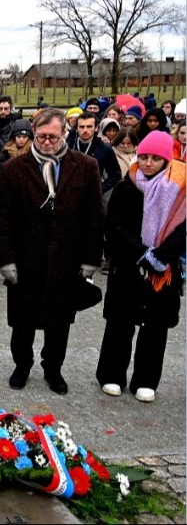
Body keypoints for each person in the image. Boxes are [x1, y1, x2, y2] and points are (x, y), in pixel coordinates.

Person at [0, 108, 104, 395]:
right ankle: (22, 365)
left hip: (66, 259)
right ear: (33, 133)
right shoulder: (13, 168)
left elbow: (94, 216)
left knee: (60, 321)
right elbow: (2, 217)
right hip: (25, 258)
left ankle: (53, 368)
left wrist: (91, 259)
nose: (46, 142)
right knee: (22, 321)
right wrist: (5, 259)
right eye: (41, 136)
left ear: (64, 133)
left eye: (53, 137)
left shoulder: (86, 166)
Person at [96, 130, 185, 403]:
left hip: (163, 268)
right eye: (144, 157)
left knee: (155, 327)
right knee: (119, 323)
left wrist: (161, 254)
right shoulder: (126, 187)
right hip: (128, 263)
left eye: (155, 158)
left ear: (166, 160)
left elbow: (182, 230)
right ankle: (111, 374)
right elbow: (114, 225)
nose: (147, 163)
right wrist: (141, 252)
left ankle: (146, 380)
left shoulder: (180, 190)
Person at [67, 112, 122, 199]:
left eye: (89, 126)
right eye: (81, 127)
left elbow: (116, 174)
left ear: (96, 128)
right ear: (76, 129)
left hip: (93, 197)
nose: (85, 130)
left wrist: (100, 189)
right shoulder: (68, 147)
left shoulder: (105, 148)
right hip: (70, 195)